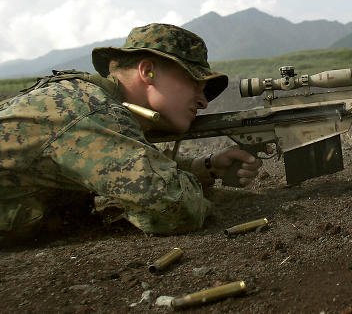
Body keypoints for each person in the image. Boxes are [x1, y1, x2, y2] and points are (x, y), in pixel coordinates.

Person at [0, 23, 262, 244]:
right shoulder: (92, 111)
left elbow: (139, 167)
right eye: (195, 83)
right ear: (147, 71)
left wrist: (205, 167)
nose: (204, 101)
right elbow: (172, 206)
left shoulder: (95, 104)